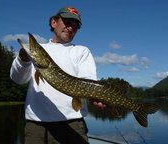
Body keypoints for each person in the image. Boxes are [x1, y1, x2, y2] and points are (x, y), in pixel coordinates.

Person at [10, 6, 106, 144]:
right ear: (54, 22)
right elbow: (17, 79)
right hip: (36, 125)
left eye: (75, 26)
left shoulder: (81, 51)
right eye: (67, 22)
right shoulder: (40, 51)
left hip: (72, 124)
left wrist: (96, 96)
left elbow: (88, 80)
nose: (71, 27)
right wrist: (24, 59)